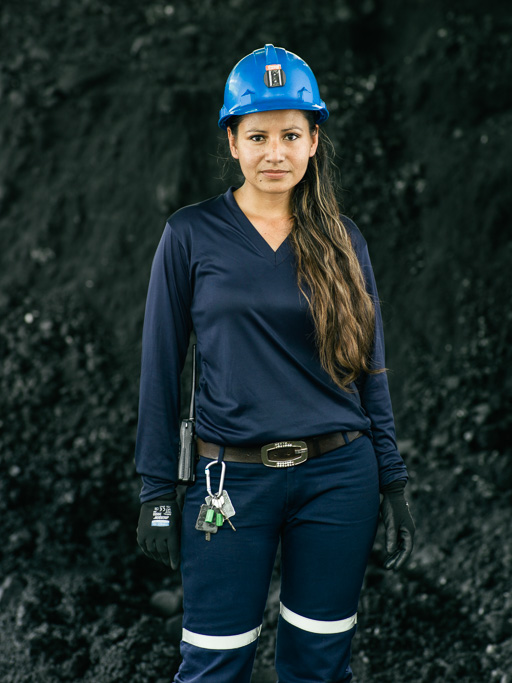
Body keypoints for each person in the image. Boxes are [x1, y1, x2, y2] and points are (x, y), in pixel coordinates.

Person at [135, 44, 415, 683]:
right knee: (214, 663)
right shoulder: (190, 235)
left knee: (319, 666)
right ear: (232, 141)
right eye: (257, 135)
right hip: (228, 483)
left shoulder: (343, 240)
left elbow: (370, 369)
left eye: (291, 134)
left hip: (340, 478)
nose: (274, 152)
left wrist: (392, 481)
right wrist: (156, 490)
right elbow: (161, 367)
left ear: (314, 140)